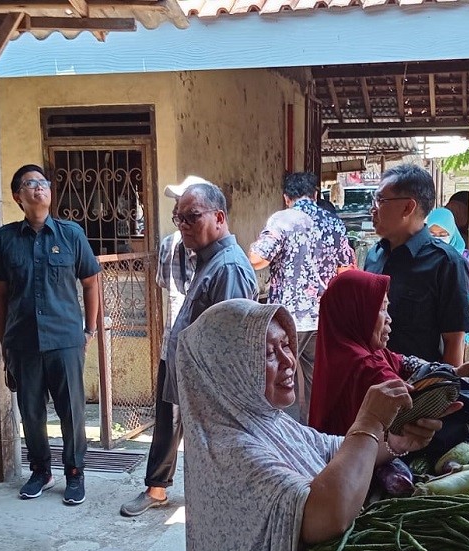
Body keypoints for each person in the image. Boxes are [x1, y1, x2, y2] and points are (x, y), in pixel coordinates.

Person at [175, 298, 448, 551]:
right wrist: (369, 422)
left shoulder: (265, 421)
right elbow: (327, 513)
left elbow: (332, 450)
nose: (287, 361)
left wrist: (394, 441)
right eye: (268, 353)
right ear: (226, 371)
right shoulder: (229, 448)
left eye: (286, 345)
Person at [120, 181, 258, 517]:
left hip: (208, 388)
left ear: (219, 217)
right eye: (178, 218)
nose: (182, 226)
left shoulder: (228, 267)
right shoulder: (207, 259)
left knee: (212, 463)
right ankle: (158, 490)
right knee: (169, 429)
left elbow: (229, 346)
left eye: (192, 217)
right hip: (185, 370)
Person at [0, 164, 102, 506]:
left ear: (50, 193)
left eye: (43, 183)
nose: (38, 188)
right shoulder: (6, 239)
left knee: (72, 412)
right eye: (29, 183)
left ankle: (74, 473)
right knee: (32, 412)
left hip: (65, 339)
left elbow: (90, 282)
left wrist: (89, 330)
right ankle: (41, 470)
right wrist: (4, 343)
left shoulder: (71, 234)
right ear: (17, 196)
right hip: (22, 341)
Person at [309, 269, 469, 462]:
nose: (389, 318)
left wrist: (453, 372)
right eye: (381, 309)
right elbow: (420, 401)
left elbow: (405, 363)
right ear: (356, 312)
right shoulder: (365, 367)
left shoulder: (351, 349)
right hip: (359, 467)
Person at [118, 175, 202, 518]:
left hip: (205, 355)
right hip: (174, 344)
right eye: (178, 210)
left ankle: (206, 492)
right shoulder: (169, 245)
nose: (181, 217)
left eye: (189, 211)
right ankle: (156, 489)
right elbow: (166, 288)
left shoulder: (222, 254)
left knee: (207, 424)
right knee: (167, 418)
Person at [248, 171, 354, 423]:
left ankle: (279, 437)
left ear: (287, 198)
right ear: (315, 195)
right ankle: (313, 436)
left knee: (278, 378)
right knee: (317, 385)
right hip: (321, 318)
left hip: (287, 320)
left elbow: (257, 259)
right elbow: (347, 270)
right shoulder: (333, 222)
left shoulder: (282, 220)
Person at [364, 164, 469, 366]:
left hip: (418, 388)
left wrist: (441, 392)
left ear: (408, 207)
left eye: (381, 200)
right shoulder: (374, 255)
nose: (373, 208)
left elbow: (454, 342)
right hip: (373, 380)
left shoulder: (446, 263)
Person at [427, 206, 469, 302]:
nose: (437, 239)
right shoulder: (421, 255)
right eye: (432, 235)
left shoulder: (464, 257)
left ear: (451, 232)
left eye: (442, 235)